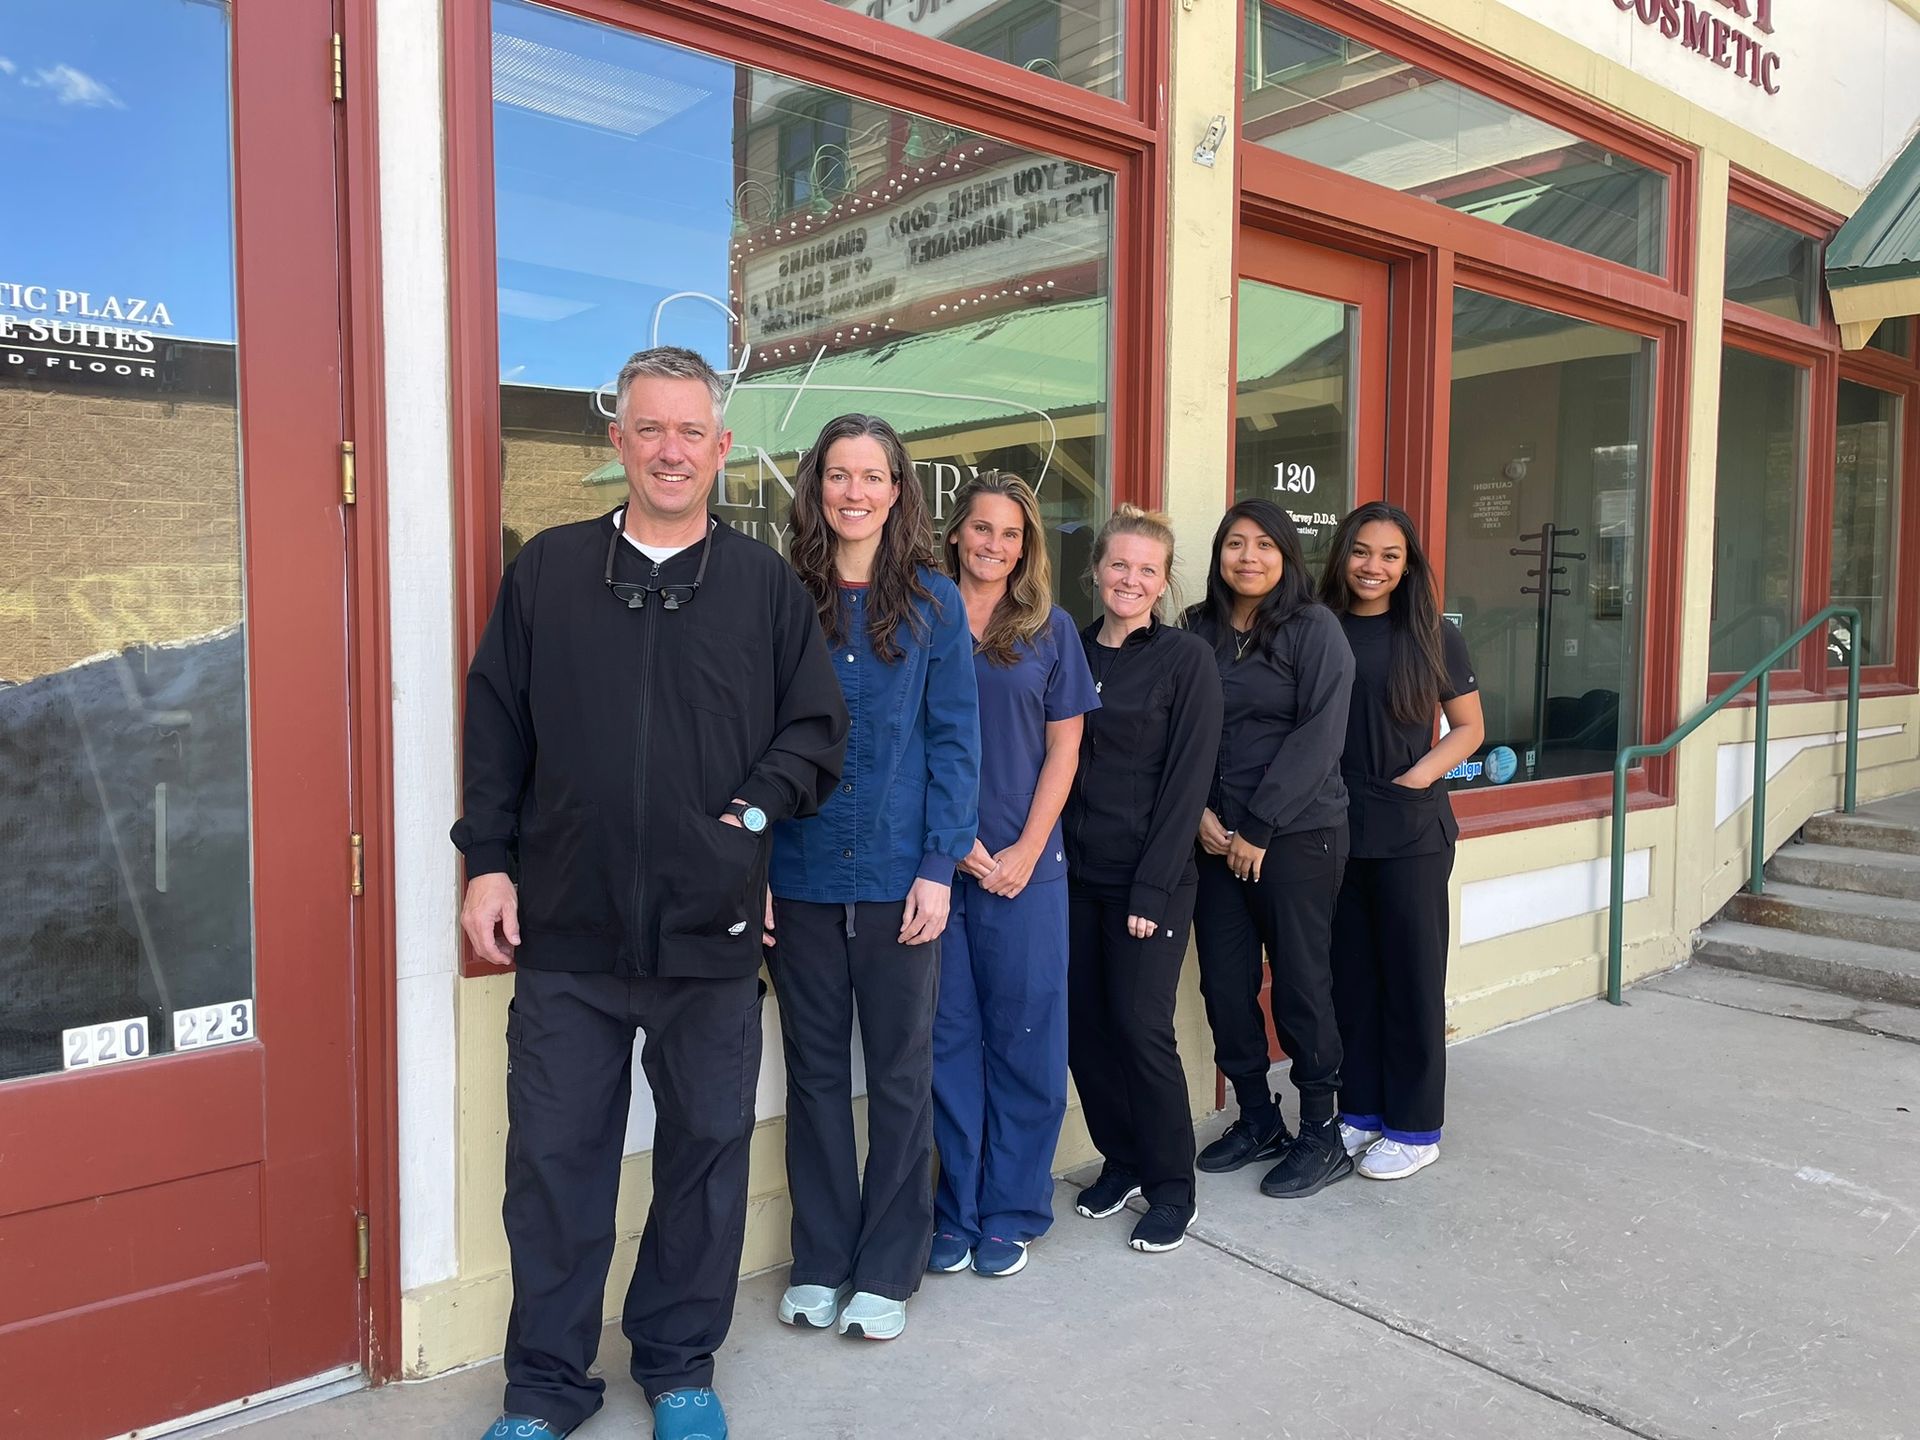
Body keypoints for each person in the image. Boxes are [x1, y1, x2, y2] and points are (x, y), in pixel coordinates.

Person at [453, 346, 849, 1440]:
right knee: (553, 1161)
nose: (670, 450)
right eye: (650, 429)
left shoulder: (763, 586)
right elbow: (496, 727)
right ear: (618, 441)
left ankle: (678, 1364)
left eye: (690, 432)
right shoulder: (548, 572)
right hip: (567, 931)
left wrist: (749, 820)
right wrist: (488, 861)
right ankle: (545, 1387)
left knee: (705, 1155)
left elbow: (815, 731)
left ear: (721, 449)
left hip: (708, 934)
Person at [766, 414, 980, 1342]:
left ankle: (890, 1264)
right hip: (800, 875)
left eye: (873, 476)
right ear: (817, 487)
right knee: (814, 1077)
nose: (855, 492)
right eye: (839, 475)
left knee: (898, 1076)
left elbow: (956, 744)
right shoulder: (780, 596)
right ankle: (821, 1259)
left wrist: (939, 867)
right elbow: (751, 740)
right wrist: (753, 867)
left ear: (898, 492)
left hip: (900, 880)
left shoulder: (935, 604)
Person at [928, 472, 1098, 1279]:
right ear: (956, 532)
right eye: (982, 528)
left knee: (1027, 1041)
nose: (994, 545)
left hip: (1027, 871)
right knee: (948, 1043)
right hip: (939, 866)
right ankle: (956, 1210)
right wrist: (951, 838)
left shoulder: (1050, 629)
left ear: (1026, 546)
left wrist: (1029, 848)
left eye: (1011, 533)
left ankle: (1013, 1209)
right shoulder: (921, 614)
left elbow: (1066, 747)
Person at [1063, 505, 1223, 1253]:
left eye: (1146, 569)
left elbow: (1188, 784)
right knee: (1083, 1029)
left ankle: (1170, 1186)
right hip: (1071, 877)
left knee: (1139, 1027)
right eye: (1119, 564)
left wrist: (1151, 890)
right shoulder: (1067, 647)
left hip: (1149, 881)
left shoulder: (1185, 659)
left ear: (1163, 583)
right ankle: (1121, 1159)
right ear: (1097, 569)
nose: (1130, 579)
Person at [1187, 499, 1356, 1200]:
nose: (1248, 557)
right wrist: (1197, 812)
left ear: (1286, 555)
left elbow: (1319, 736)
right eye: (1235, 543)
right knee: (1225, 985)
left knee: (1300, 985)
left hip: (1297, 834)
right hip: (1214, 839)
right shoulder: (1196, 629)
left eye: (1264, 544)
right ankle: (1258, 1119)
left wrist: (1258, 827)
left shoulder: (1314, 629)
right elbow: (1179, 728)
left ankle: (1322, 1133)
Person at [1318, 502, 1483, 1181]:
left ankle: (1415, 1127)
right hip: (1333, 828)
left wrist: (1416, 778)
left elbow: (1469, 729)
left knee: (1411, 981)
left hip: (1411, 831)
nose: (1373, 567)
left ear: (1408, 564)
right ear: (1343, 555)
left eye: (1390, 555)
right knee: (1352, 979)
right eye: (1362, 551)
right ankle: (1361, 1111)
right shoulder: (1317, 626)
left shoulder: (1433, 634)